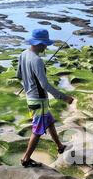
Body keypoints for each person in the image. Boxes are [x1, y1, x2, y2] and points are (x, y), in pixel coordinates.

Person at [17, 29, 73, 168]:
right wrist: (63, 97)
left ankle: (60, 146)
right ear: (39, 43)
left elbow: (19, 75)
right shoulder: (37, 61)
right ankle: (26, 159)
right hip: (39, 100)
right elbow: (45, 85)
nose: (46, 47)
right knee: (37, 131)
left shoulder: (23, 54)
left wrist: (29, 81)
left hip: (30, 98)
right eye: (44, 44)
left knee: (49, 121)